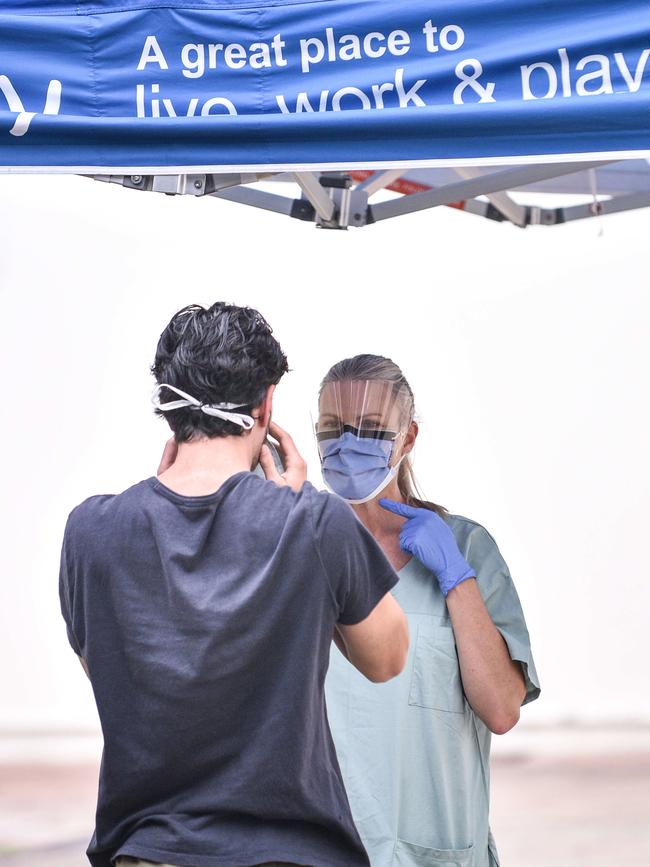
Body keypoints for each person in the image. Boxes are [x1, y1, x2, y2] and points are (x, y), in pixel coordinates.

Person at [58, 304, 409, 867]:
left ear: (167, 407)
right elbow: (388, 657)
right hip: (289, 855)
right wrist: (296, 521)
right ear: (266, 404)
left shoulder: (90, 532)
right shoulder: (314, 524)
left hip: (147, 852)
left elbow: (117, 674)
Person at [316, 355, 541, 867]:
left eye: (371, 429)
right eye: (333, 428)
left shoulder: (467, 548)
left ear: (408, 437)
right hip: (325, 849)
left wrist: (457, 580)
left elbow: (503, 710)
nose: (349, 444)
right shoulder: (301, 550)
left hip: (436, 849)